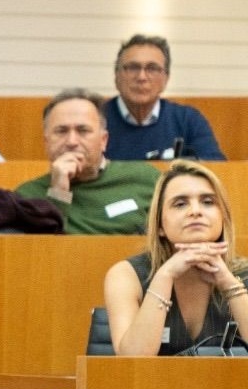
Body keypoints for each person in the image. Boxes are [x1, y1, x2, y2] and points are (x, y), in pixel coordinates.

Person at [104, 161, 248, 357]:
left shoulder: (244, 273)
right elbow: (134, 361)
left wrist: (228, 283)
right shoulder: (126, 275)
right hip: (151, 387)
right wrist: (165, 275)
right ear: (160, 225)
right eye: (180, 204)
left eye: (207, 202)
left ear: (223, 218)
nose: (195, 211)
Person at [16, 89, 160, 235]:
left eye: (83, 130)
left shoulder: (146, 178)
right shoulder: (27, 196)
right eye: (61, 131)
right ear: (46, 142)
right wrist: (59, 191)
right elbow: (42, 251)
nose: (72, 142)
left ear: (103, 141)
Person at [102, 34, 224, 162]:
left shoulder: (187, 120)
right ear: (116, 76)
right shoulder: (96, 119)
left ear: (166, 78)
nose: (142, 77)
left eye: (152, 68)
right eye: (133, 67)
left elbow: (216, 167)